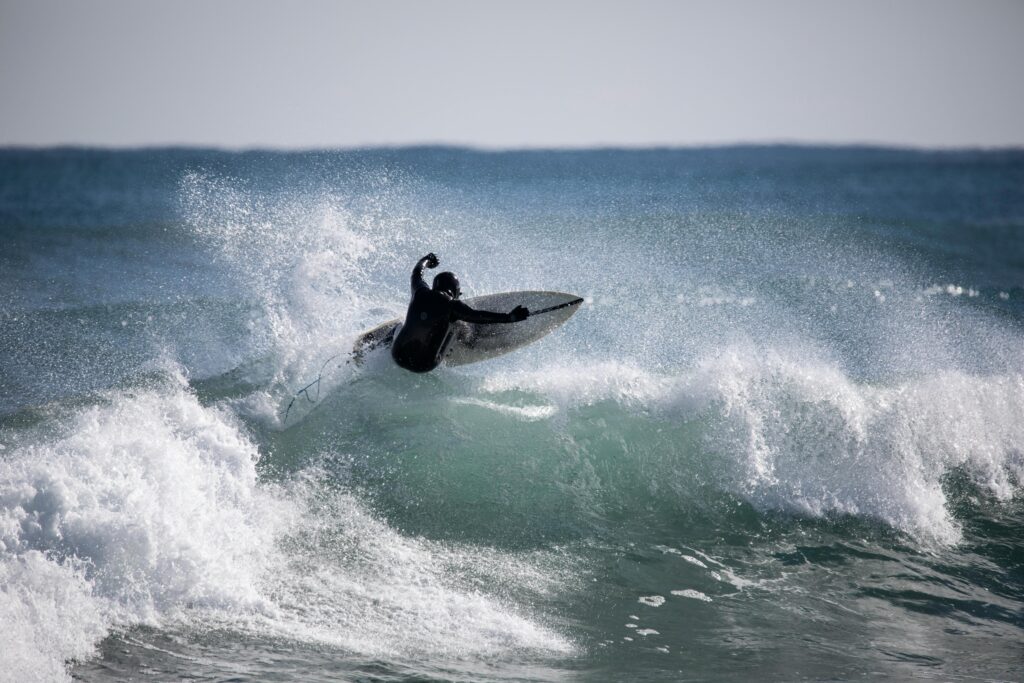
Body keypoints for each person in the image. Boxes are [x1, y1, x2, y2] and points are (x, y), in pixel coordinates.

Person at [390, 253, 529, 373]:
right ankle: (460, 341)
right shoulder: (452, 305)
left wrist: (427, 260)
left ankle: (388, 338)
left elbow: (417, 273)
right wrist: (509, 317)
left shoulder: (420, 292)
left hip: (398, 355)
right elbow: (477, 316)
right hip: (424, 365)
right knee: (457, 323)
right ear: (455, 291)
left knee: (402, 324)